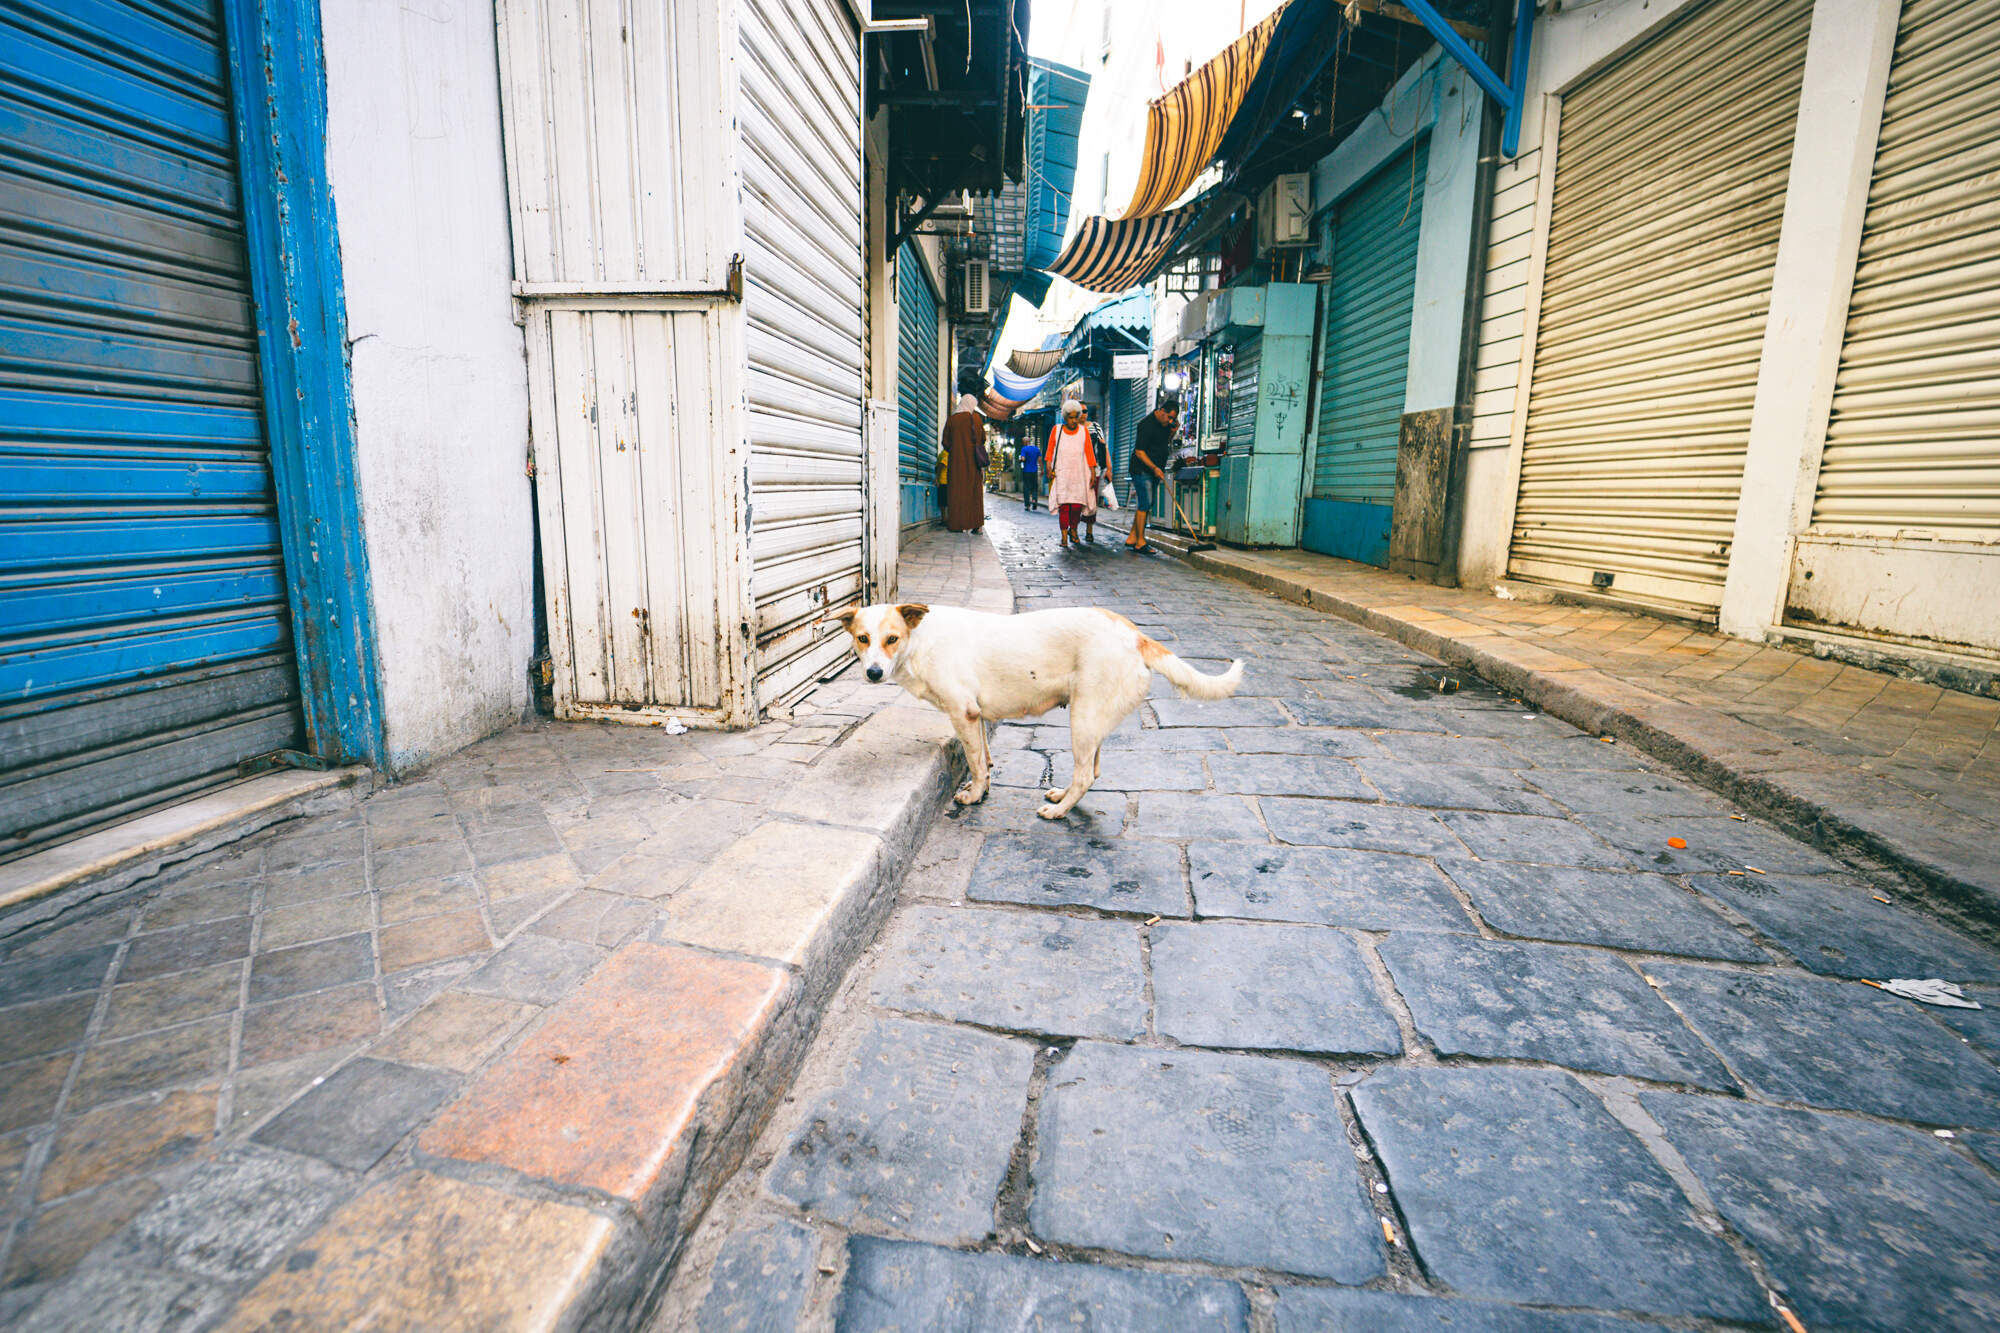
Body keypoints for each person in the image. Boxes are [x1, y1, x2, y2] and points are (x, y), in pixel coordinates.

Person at [1127, 392, 1178, 553]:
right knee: (1145, 503)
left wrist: (1173, 431)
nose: (1170, 421)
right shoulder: (1146, 425)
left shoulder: (1165, 425)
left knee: (1146, 502)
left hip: (1156, 469)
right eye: (1169, 417)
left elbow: (1163, 443)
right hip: (1142, 469)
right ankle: (1141, 542)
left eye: (1173, 419)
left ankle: (1133, 537)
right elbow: (1140, 452)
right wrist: (1155, 468)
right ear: (1162, 411)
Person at [1046, 399, 1099, 549]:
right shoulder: (1057, 430)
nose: (1074, 420)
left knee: (1076, 506)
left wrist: (1093, 473)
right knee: (1064, 506)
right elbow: (1049, 451)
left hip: (1079, 475)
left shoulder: (1084, 432)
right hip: (1062, 474)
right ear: (1065, 417)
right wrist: (1048, 467)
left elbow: (1090, 453)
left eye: (1077, 417)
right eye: (1071, 417)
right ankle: (1064, 536)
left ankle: (1073, 531)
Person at [941, 393, 987, 533]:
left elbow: (945, 442)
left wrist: (956, 449)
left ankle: (957, 524)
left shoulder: (952, 420)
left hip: (956, 464)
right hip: (974, 464)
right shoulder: (976, 419)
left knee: (957, 492)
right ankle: (976, 525)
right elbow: (983, 439)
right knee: (974, 494)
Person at [1017, 433, 1042, 511]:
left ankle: (1027, 505)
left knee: (1027, 488)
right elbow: (1040, 460)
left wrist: (1020, 459)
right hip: (1034, 471)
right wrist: (1042, 470)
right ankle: (1034, 500)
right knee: (1034, 487)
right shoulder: (1036, 449)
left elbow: (1023, 459)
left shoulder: (1024, 449)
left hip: (1026, 471)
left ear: (1024, 442)